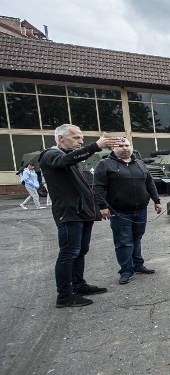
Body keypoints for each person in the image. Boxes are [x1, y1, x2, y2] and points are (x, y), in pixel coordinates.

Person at [40, 125, 122, 308]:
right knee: (68, 253)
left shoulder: (67, 156)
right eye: (76, 138)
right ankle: (64, 295)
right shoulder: (51, 155)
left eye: (81, 138)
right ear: (61, 138)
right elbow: (66, 161)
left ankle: (78, 284)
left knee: (80, 250)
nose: (81, 141)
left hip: (82, 213)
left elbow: (72, 159)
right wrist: (95, 146)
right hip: (70, 213)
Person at [93, 138, 163, 285]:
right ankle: (126, 270)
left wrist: (157, 200)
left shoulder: (140, 163)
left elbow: (149, 183)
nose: (125, 148)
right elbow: (98, 187)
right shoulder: (105, 164)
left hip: (140, 210)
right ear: (113, 148)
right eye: (121, 146)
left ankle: (138, 265)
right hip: (120, 212)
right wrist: (102, 206)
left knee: (137, 238)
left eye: (127, 145)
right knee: (124, 242)